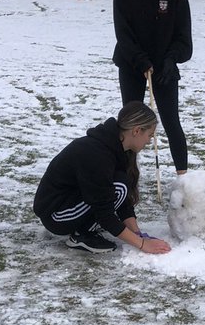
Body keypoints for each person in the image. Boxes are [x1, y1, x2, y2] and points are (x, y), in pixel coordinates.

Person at [33, 101, 172, 256]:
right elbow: (104, 212)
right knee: (120, 186)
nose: (149, 141)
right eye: (150, 135)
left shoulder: (119, 148)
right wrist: (142, 244)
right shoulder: (97, 154)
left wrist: (137, 233)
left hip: (72, 203)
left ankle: (84, 229)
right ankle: (81, 235)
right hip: (56, 215)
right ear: (137, 131)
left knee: (121, 185)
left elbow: (122, 202)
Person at [112, 0, 192, 176]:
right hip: (132, 66)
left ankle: (183, 178)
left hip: (163, 69)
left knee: (171, 122)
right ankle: (127, 176)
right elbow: (123, 36)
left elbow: (184, 41)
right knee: (130, 124)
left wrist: (170, 60)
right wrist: (141, 60)